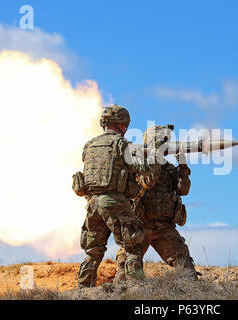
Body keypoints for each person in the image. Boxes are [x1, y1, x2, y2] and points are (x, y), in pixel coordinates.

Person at [75, 104, 160, 288]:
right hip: (114, 203)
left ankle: (82, 289)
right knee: (134, 245)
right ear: (123, 124)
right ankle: (136, 289)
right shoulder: (122, 145)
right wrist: (155, 156)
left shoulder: (89, 145)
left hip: (92, 204)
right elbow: (144, 168)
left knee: (93, 251)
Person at [114, 125, 197, 281]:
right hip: (140, 226)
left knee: (186, 269)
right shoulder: (138, 165)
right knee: (127, 270)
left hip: (164, 228)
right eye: (161, 141)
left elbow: (183, 190)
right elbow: (148, 183)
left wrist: (183, 167)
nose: (165, 144)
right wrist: (155, 160)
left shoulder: (169, 169)